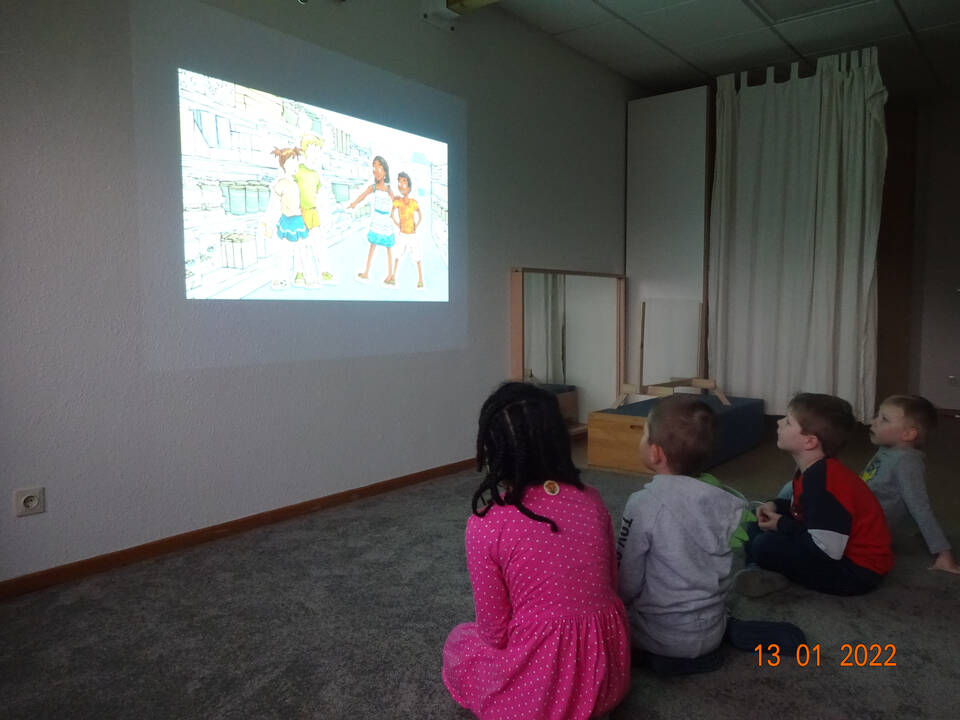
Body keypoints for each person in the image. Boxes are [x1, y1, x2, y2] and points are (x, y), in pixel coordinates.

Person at [442, 382, 629, 720]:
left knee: (460, 643)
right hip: (608, 679)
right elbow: (611, 583)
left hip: (540, 696)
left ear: (492, 450)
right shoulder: (593, 500)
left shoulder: (485, 525)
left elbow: (494, 633)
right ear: (560, 437)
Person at [617, 395, 804, 675]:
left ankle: (668, 659)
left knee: (601, 623)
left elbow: (627, 579)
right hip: (711, 627)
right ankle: (717, 638)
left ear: (655, 453)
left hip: (661, 635)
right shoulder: (723, 501)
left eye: (644, 433)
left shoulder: (643, 504)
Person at [736, 393, 893, 597]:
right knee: (756, 524)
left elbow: (827, 549)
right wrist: (774, 506)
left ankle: (763, 568)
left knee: (764, 544)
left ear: (810, 442)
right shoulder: (814, 470)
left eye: (788, 421)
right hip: (829, 546)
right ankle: (760, 569)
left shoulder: (824, 483)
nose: (779, 422)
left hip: (857, 571)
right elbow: (803, 510)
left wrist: (782, 524)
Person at [862, 394, 959, 574]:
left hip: (867, 527)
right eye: (877, 415)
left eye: (884, 419)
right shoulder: (888, 449)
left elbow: (919, 506)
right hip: (860, 511)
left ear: (908, 434)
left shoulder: (907, 463)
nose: (873, 422)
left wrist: (944, 553)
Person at [348, 155, 394, 285]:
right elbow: (362, 196)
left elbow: (396, 202)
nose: (375, 170)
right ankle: (366, 272)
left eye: (378, 168)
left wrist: (395, 215)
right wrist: (353, 204)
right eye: (374, 168)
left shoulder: (389, 189)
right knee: (372, 245)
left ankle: (390, 274)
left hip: (386, 220)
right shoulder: (373, 187)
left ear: (385, 171)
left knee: (388, 247)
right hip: (377, 219)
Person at [387, 171, 423, 289]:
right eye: (399, 182)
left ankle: (420, 279)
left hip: (412, 235)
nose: (401, 185)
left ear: (409, 186)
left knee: (417, 256)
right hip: (402, 234)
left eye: (404, 182)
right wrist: (398, 225)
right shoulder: (397, 201)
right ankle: (393, 277)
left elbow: (420, 216)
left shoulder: (413, 202)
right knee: (397, 255)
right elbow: (391, 214)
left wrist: (415, 226)